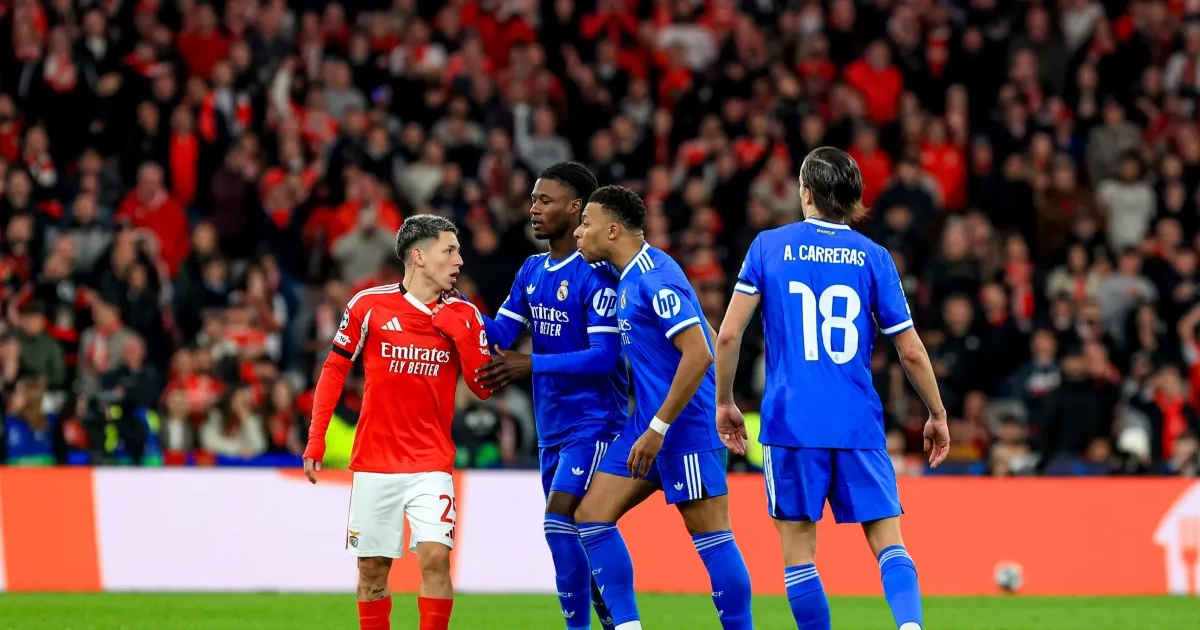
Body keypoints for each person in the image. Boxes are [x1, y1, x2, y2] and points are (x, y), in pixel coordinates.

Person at [712, 146, 950, 630]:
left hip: (791, 422)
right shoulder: (874, 257)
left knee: (799, 553)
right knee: (889, 543)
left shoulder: (768, 246)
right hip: (857, 421)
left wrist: (724, 402)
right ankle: (910, 626)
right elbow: (909, 350)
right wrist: (937, 413)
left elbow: (730, 335)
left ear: (806, 193)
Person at [571, 185, 754, 630]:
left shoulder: (654, 278)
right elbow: (708, 334)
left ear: (613, 230)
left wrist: (663, 426)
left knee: (711, 536)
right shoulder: (633, 273)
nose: (579, 232)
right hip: (649, 425)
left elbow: (700, 352)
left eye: (586, 223)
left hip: (682, 427)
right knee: (591, 517)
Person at [302, 215, 493, 630]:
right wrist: (316, 438)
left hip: (431, 461)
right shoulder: (368, 305)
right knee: (371, 569)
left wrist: (463, 335)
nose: (459, 260)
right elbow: (334, 370)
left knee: (436, 557)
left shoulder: (465, 313)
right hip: (375, 461)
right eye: (449, 250)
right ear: (418, 256)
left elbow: (483, 388)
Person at [473, 163, 624, 630]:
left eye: (545, 200)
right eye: (533, 200)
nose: (533, 209)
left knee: (560, 521)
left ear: (576, 208)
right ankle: (612, 617)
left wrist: (531, 363)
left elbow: (604, 356)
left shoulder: (595, 274)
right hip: (551, 427)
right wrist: (452, 305)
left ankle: (606, 622)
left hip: (594, 422)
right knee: (575, 534)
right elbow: (501, 334)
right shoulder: (532, 269)